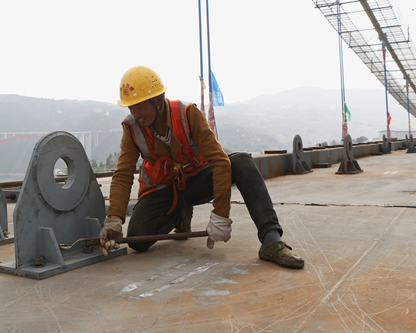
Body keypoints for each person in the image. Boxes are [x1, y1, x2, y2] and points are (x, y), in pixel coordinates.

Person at [99, 66, 304, 269]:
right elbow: (123, 174)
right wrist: (114, 218)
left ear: (158, 100)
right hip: (163, 190)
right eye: (130, 107)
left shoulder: (187, 114)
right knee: (137, 240)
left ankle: (271, 240)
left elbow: (220, 162)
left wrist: (220, 215)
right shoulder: (132, 127)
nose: (135, 113)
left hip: (196, 181)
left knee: (242, 162)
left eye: (139, 106)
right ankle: (179, 213)